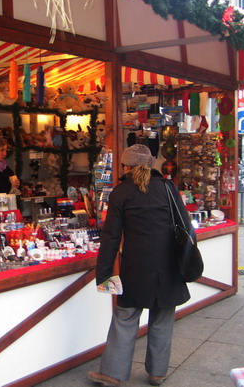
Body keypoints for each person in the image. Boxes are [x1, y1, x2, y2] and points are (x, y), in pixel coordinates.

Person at [88, 144, 193, 387]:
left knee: (125, 317)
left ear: (126, 167)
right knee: (163, 317)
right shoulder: (167, 188)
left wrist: (103, 275)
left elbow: (111, 237)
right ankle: (157, 373)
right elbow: (186, 227)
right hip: (169, 266)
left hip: (136, 267)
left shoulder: (121, 192)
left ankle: (113, 373)